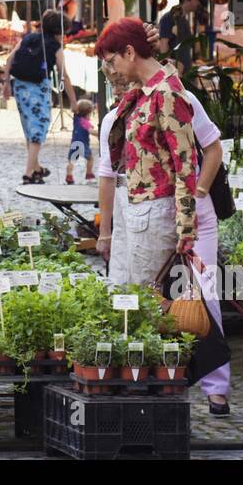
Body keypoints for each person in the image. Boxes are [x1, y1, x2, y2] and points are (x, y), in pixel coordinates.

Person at [96, 52, 231, 414]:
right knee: (150, 293)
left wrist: (198, 192)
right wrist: (105, 230)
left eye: (122, 72)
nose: (120, 80)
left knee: (203, 290)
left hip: (190, 208)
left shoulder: (178, 98)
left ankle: (216, 385)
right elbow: (108, 178)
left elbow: (211, 150)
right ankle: (151, 374)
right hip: (141, 211)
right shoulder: (114, 118)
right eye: (115, 78)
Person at [94, 16, 200, 287]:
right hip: (134, 203)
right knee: (124, 294)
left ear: (129, 53)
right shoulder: (142, 88)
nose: (111, 69)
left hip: (155, 210)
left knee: (144, 302)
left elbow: (186, 162)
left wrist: (186, 226)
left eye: (113, 60)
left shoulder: (167, 92)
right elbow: (124, 75)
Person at [1, 9, 78, 184]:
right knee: (39, 128)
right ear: (60, 31)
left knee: (30, 128)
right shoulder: (55, 47)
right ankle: (28, 173)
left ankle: (37, 168)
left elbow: (9, 60)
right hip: (38, 89)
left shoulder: (28, 38)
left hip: (20, 87)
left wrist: (6, 84)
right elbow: (63, 75)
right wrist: (73, 101)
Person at [159, 0, 202, 70]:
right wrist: (169, 70)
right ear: (186, 0)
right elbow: (164, 46)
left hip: (185, 71)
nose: (198, 2)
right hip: (176, 71)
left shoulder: (184, 20)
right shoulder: (169, 18)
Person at [65, 98, 96, 184]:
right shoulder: (85, 122)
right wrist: (100, 133)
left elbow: (74, 109)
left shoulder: (76, 118)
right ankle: (89, 174)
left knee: (71, 160)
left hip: (74, 143)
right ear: (88, 113)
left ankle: (69, 176)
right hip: (83, 145)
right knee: (90, 159)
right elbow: (91, 131)